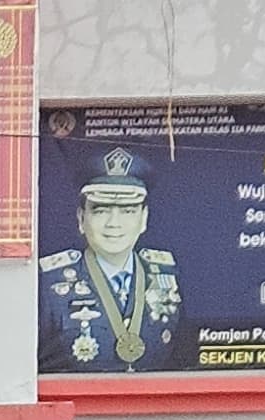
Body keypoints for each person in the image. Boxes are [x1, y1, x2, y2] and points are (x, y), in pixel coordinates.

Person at [39, 148, 179, 370]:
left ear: (144, 219)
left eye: (128, 211)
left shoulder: (166, 274)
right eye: (101, 211)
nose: (114, 223)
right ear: (81, 218)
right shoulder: (48, 284)